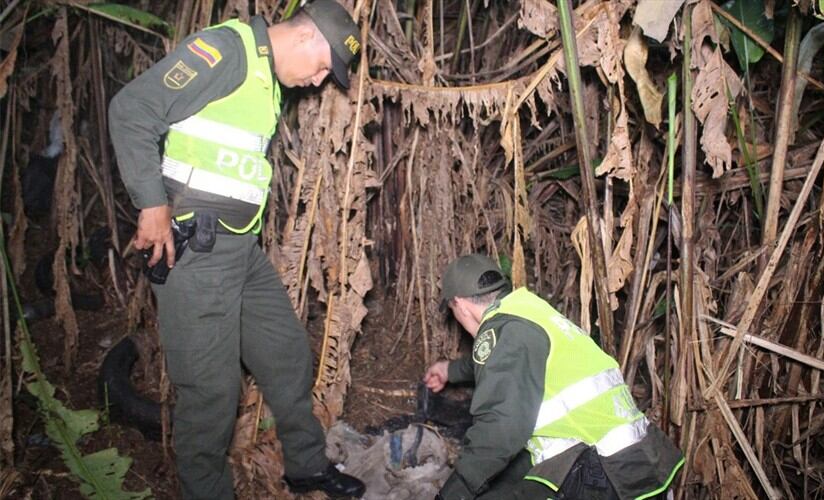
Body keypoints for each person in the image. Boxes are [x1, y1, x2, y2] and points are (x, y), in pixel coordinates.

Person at [108, 1, 366, 498]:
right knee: (210, 395)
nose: (317, 82)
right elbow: (132, 109)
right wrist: (151, 205)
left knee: (286, 353)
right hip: (196, 252)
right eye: (321, 68)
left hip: (236, 251)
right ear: (306, 37)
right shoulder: (228, 51)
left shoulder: (268, 79)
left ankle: (306, 466)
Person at [425, 254, 685, 499]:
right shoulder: (529, 313)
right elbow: (505, 366)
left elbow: (500, 429)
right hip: (643, 462)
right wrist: (449, 370)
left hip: (605, 475)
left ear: (459, 303)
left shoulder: (505, 332)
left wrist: (453, 492)